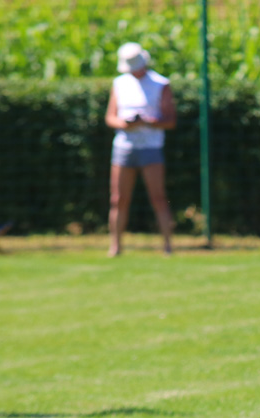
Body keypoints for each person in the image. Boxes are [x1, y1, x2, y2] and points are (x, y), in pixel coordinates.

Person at [105, 42, 177, 257]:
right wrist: (126, 124)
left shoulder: (160, 83)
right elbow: (110, 117)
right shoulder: (119, 83)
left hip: (151, 147)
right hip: (124, 147)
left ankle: (167, 246)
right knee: (118, 199)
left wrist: (150, 122)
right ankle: (115, 246)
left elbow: (170, 120)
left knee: (158, 197)